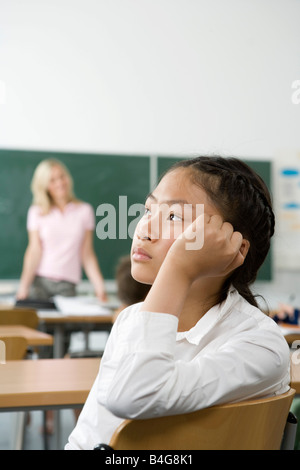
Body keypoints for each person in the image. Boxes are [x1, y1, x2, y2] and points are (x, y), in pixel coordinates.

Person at [65, 156, 290, 450]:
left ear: (232, 246)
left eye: (173, 217)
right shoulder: (132, 319)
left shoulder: (261, 345)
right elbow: (86, 438)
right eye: (148, 210)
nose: (144, 229)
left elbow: (132, 396)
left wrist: (179, 268)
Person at [17, 159, 106, 302]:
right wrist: (23, 286)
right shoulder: (37, 212)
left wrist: (99, 286)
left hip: (68, 285)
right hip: (41, 283)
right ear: (44, 185)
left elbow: (87, 254)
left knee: (66, 324)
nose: (60, 183)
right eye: (52, 180)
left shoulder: (84, 211)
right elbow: (34, 251)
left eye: (62, 176)